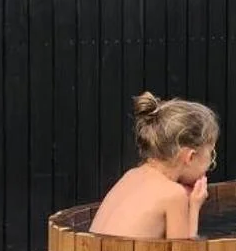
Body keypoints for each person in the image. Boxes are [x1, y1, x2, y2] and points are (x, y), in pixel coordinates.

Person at [89, 93, 219, 239]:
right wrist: (194, 208)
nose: (210, 163)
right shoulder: (174, 195)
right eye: (211, 154)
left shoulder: (131, 175)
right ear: (190, 157)